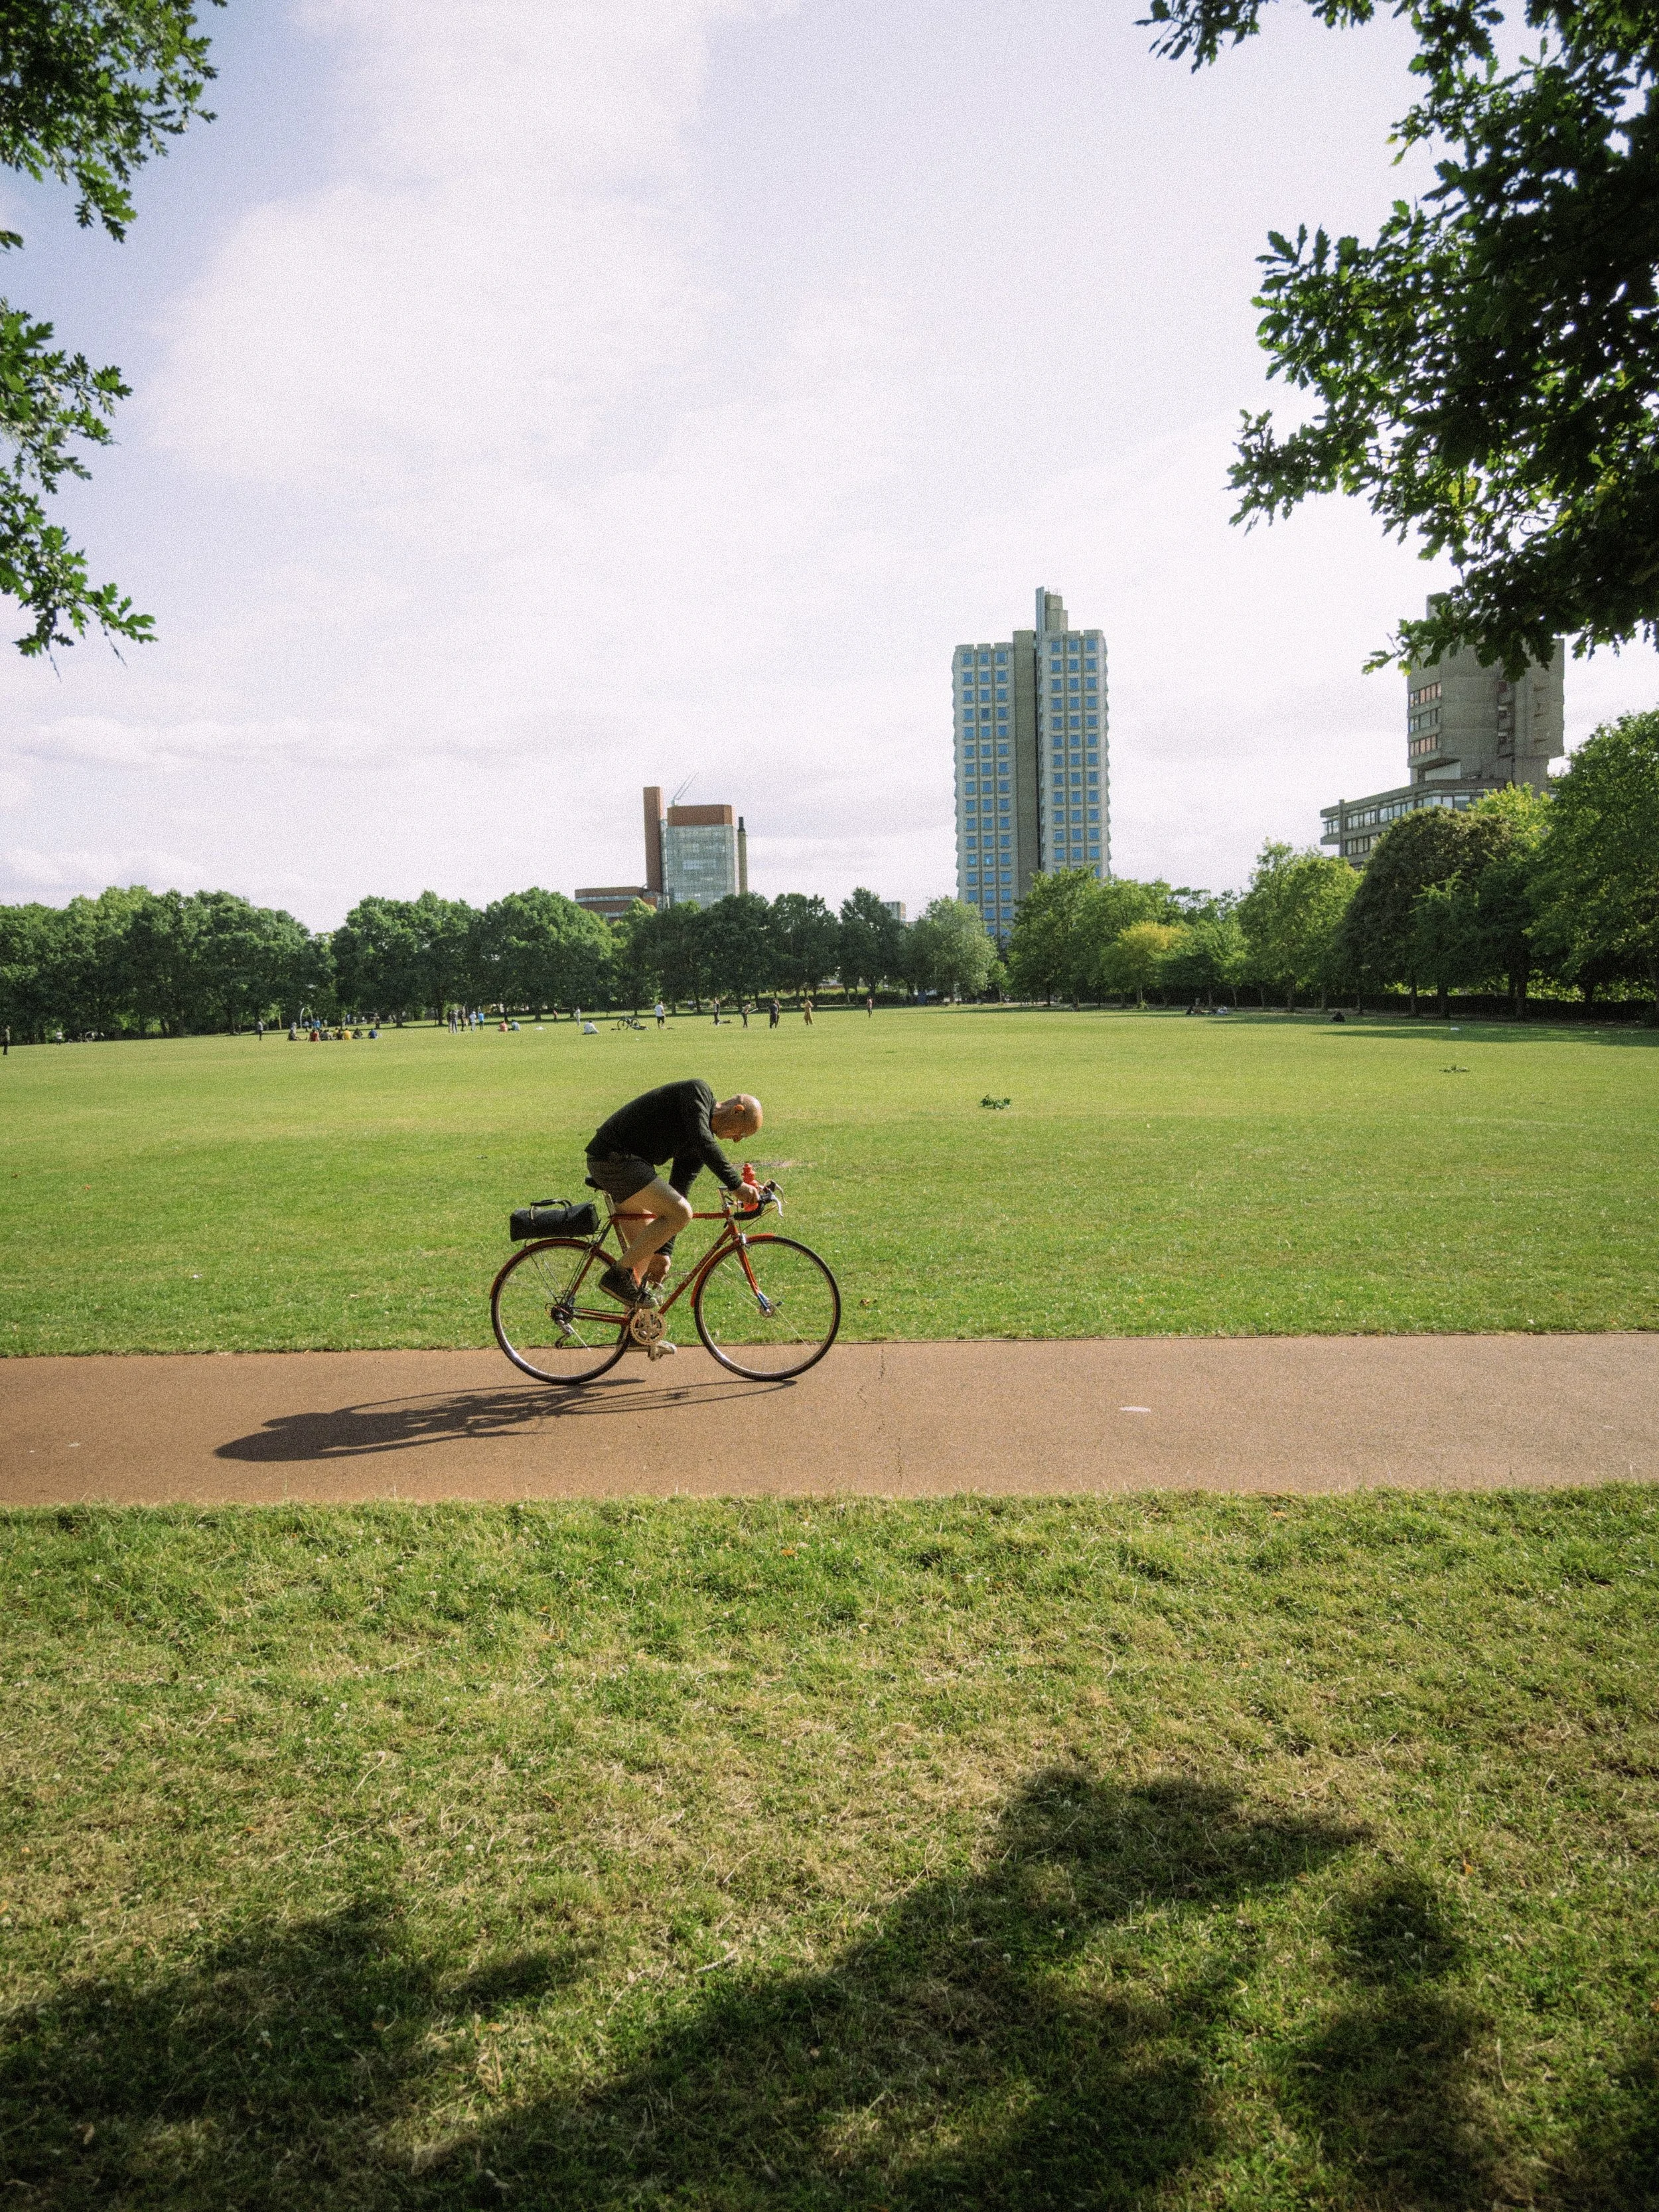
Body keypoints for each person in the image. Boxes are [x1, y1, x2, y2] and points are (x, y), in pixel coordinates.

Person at [585, 1080, 762, 1305]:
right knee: (682, 1214)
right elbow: (702, 1139)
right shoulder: (698, 1092)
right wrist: (736, 1184)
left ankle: (638, 1336)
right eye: (742, 1134)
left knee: (644, 1254)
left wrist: (664, 1251)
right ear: (738, 1111)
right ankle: (616, 1275)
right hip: (614, 1159)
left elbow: (680, 1187)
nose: (737, 1140)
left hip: (626, 1165)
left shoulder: (699, 1143)